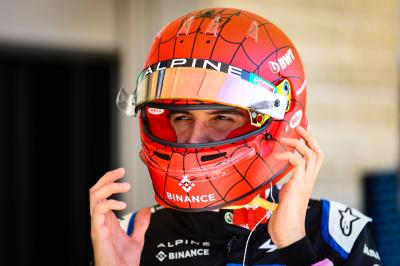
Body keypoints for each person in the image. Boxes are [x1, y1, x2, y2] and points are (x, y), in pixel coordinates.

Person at [89, 7, 381, 266]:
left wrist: (294, 246)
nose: (193, 139)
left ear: (278, 120)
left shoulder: (336, 232)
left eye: (221, 117)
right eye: (181, 117)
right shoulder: (130, 235)